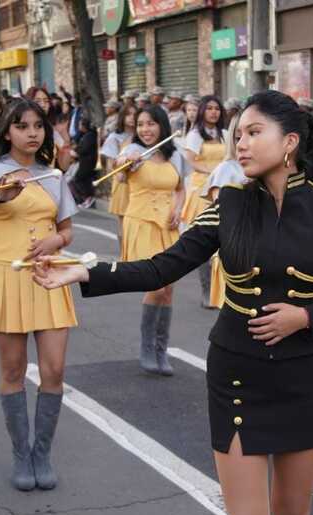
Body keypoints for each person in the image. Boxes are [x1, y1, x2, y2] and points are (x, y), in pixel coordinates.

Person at [32, 89, 313, 515]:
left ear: (290, 142)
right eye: (238, 133)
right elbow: (164, 265)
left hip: (303, 377)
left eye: (253, 131)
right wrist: (85, 273)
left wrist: (307, 318)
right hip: (237, 372)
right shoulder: (229, 203)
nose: (241, 141)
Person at [0, 98, 78, 491]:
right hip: (6, 274)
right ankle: (20, 453)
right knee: (12, 371)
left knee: (54, 370)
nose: (32, 133)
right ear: (7, 131)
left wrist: (55, 239)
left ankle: (41, 453)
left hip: (49, 274)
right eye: (22, 126)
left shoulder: (53, 175)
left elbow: (67, 231)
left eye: (38, 126)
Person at [115, 105, 189, 376]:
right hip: (142, 223)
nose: (145, 129)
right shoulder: (132, 152)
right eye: (141, 124)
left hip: (168, 226)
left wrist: (178, 209)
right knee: (156, 286)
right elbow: (120, 174)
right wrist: (126, 163)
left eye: (151, 124)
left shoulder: (174, 154)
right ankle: (146, 348)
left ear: (162, 126)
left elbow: (180, 188)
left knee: (168, 288)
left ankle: (161, 350)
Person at [181, 95, 227, 309]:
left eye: (217, 108)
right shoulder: (194, 134)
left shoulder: (226, 134)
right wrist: (211, 170)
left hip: (225, 187)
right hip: (203, 187)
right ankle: (206, 290)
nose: (213, 112)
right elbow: (190, 159)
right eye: (209, 108)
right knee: (206, 240)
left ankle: (223, 290)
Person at [200, 114, 245, 311]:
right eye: (238, 137)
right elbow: (223, 213)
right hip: (236, 248)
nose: (244, 143)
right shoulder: (226, 169)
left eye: (253, 134)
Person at [100, 105, 137, 246]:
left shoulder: (142, 135)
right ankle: (124, 254)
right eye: (128, 114)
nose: (132, 118)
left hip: (139, 183)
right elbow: (110, 165)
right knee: (123, 221)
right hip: (122, 183)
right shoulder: (114, 137)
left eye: (135, 114)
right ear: (122, 117)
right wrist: (118, 174)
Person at [26, 86, 72, 172]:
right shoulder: (20, 130)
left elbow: (64, 166)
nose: (43, 105)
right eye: (38, 101)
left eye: (46, 101)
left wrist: (66, 144)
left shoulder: (53, 132)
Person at [71, 116, 99, 209]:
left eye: (80, 124)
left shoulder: (90, 136)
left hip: (88, 161)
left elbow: (84, 149)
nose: (78, 126)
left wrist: (76, 152)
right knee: (83, 180)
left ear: (84, 126)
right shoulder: (86, 135)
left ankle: (88, 198)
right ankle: (86, 199)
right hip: (85, 161)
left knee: (79, 179)